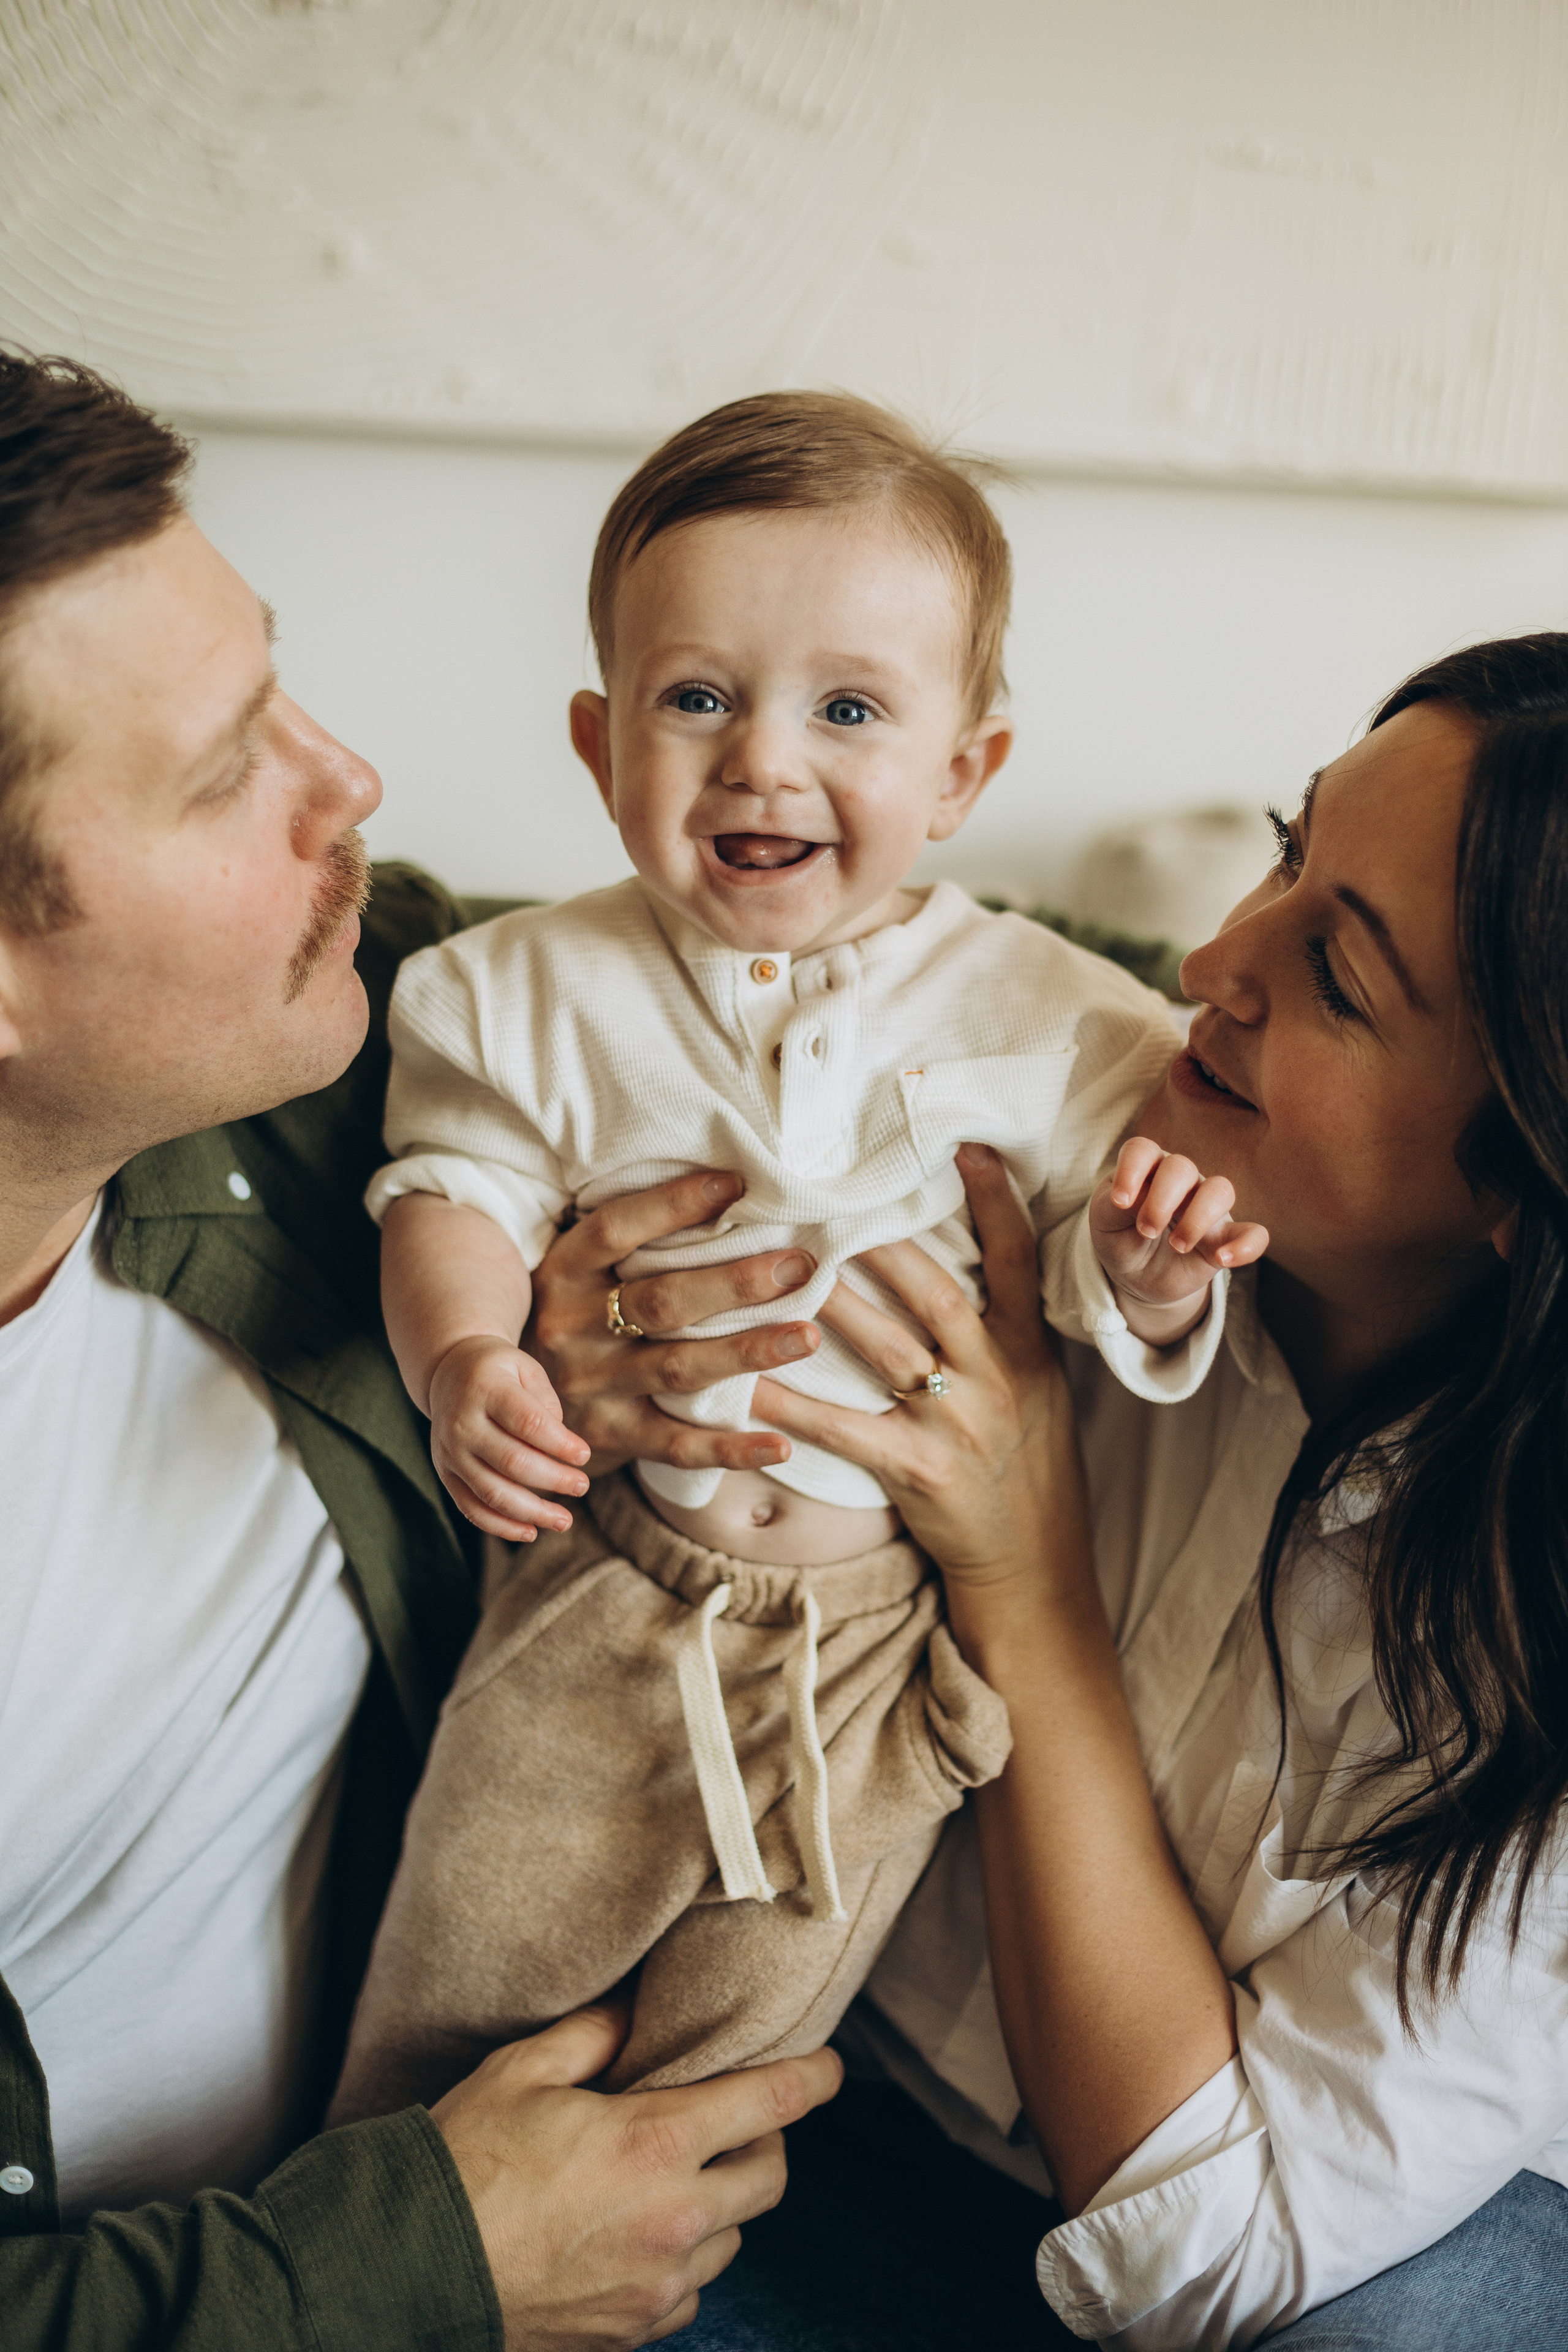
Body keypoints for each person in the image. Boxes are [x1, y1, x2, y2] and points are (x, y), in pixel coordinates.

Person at [525, 634, 1568, 2347]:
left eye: (1339, 977)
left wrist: (1027, 1586)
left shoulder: (1523, 1639)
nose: (1208, 957)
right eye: (1287, 849)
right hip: (840, 2111)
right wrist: (563, 1331)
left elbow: (1204, 2251)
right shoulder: (1037, 1149)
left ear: (1525, 1178)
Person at [0, 349, 840, 2350]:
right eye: (225, 774)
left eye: (278, 679)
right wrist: (412, 2274)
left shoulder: (342, 1046)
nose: (348, 779)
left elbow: (898, 961)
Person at [328, 393, 1265, 2124]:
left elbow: (1091, 1275)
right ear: (602, 743)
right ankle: (397, 2245)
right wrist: (468, 1361)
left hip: (877, 1638)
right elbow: (454, 1185)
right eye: (697, 699)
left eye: (848, 709)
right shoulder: (524, 986)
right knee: (469, 1981)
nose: (763, 758)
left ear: (962, 772)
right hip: (602, 1590)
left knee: (743, 2048)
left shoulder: (1059, 1017)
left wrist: (1150, 1268)